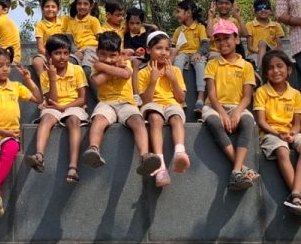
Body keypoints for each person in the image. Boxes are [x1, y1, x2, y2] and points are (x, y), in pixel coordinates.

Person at [81, 32, 160, 177]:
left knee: (138, 121)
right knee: (99, 119)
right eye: (103, 55)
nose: (108, 59)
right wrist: (114, 68)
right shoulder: (95, 67)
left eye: (112, 56)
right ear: (97, 52)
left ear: (119, 54)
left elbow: (125, 74)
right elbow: (97, 81)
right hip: (106, 103)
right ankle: (93, 148)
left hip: (126, 103)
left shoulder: (125, 63)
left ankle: (145, 155)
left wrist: (103, 66)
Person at [0, 48, 42, 215]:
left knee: (11, 150)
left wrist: (28, 80)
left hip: (10, 135)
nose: (5, 69)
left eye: (8, 65)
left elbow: (39, 99)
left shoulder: (15, 87)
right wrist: (4, 132)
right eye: (0, 66)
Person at [252, 49, 301, 218]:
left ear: (289, 69)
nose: (275, 71)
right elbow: (262, 121)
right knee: (282, 149)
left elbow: (297, 123)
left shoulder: (296, 94)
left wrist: (292, 134)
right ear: (266, 73)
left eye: (280, 66)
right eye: (270, 68)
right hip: (270, 133)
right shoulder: (262, 92)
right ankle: (298, 197)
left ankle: (295, 195)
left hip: (289, 132)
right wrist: (279, 134)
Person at [200, 19, 259, 191]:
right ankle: (241, 168)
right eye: (218, 39)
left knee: (248, 121)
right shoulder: (212, 64)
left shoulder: (246, 66)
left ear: (237, 39)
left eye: (226, 38)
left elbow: (247, 97)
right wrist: (223, 113)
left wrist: (237, 112)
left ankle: (236, 170)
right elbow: (211, 93)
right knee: (213, 121)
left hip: (237, 106)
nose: (222, 42)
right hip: (214, 106)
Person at [25, 36, 89, 183]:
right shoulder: (45, 75)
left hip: (74, 106)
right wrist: (52, 78)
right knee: (46, 118)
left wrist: (63, 107)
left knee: (73, 120)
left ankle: (73, 167)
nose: (62, 57)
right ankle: (39, 155)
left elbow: (82, 99)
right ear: (48, 55)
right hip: (53, 106)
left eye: (66, 53)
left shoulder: (77, 70)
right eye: (57, 53)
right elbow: (52, 100)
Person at [138, 31, 190, 187]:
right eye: (159, 48)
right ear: (149, 50)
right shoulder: (143, 73)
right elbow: (146, 101)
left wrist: (173, 79)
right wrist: (153, 80)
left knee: (176, 117)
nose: (164, 52)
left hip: (172, 104)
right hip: (152, 105)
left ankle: (180, 152)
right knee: (155, 118)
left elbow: (181, 98)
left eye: (167, 49)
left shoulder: (175, 71)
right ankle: (160, 166)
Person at [170, 0, 208, 108]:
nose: (176, 15)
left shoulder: (200, 27)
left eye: (178, 11)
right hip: (182, 53)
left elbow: (205, 43)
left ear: (188, 12)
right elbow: (173, 45)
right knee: (178, 63)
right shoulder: (178, 30)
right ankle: (180, 96)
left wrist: (199, 53)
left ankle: (200, 97)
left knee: (200, 64)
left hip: (196, 53)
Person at [31, 0, 67, 80]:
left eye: (53, 7)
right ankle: (45, 84)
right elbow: (40, 48)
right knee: (37, 62)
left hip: (63, 54)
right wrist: (51, 56)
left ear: (58, 9)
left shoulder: (64, 22)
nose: (50, 9)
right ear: (42, 9)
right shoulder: (40, 24)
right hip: (46, 55)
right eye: (47, 6)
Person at [66, 0, 103, 67]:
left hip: (92, 49)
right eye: (79, 4)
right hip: (77, 51)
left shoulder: (93, 20)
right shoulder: (71, 22)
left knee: (87, 68)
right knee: (70, 61)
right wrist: (76, 52)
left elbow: (100, 38)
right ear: (76, 5)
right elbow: (70, 40)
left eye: (85, 4)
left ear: (91, 6)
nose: (82, 6)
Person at [245, 0, 283, 68]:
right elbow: (249, 47)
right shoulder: (250, 25)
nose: (263, 10)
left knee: (263, 44)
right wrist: (261, 52)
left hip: (271, 53)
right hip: (255, 54)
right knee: (262, 43)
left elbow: (279, 47)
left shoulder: (276, 25)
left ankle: (259, 69)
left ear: (271, 11)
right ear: (255, 12)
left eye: (266, 7)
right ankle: (260, 69)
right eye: (259, 8)